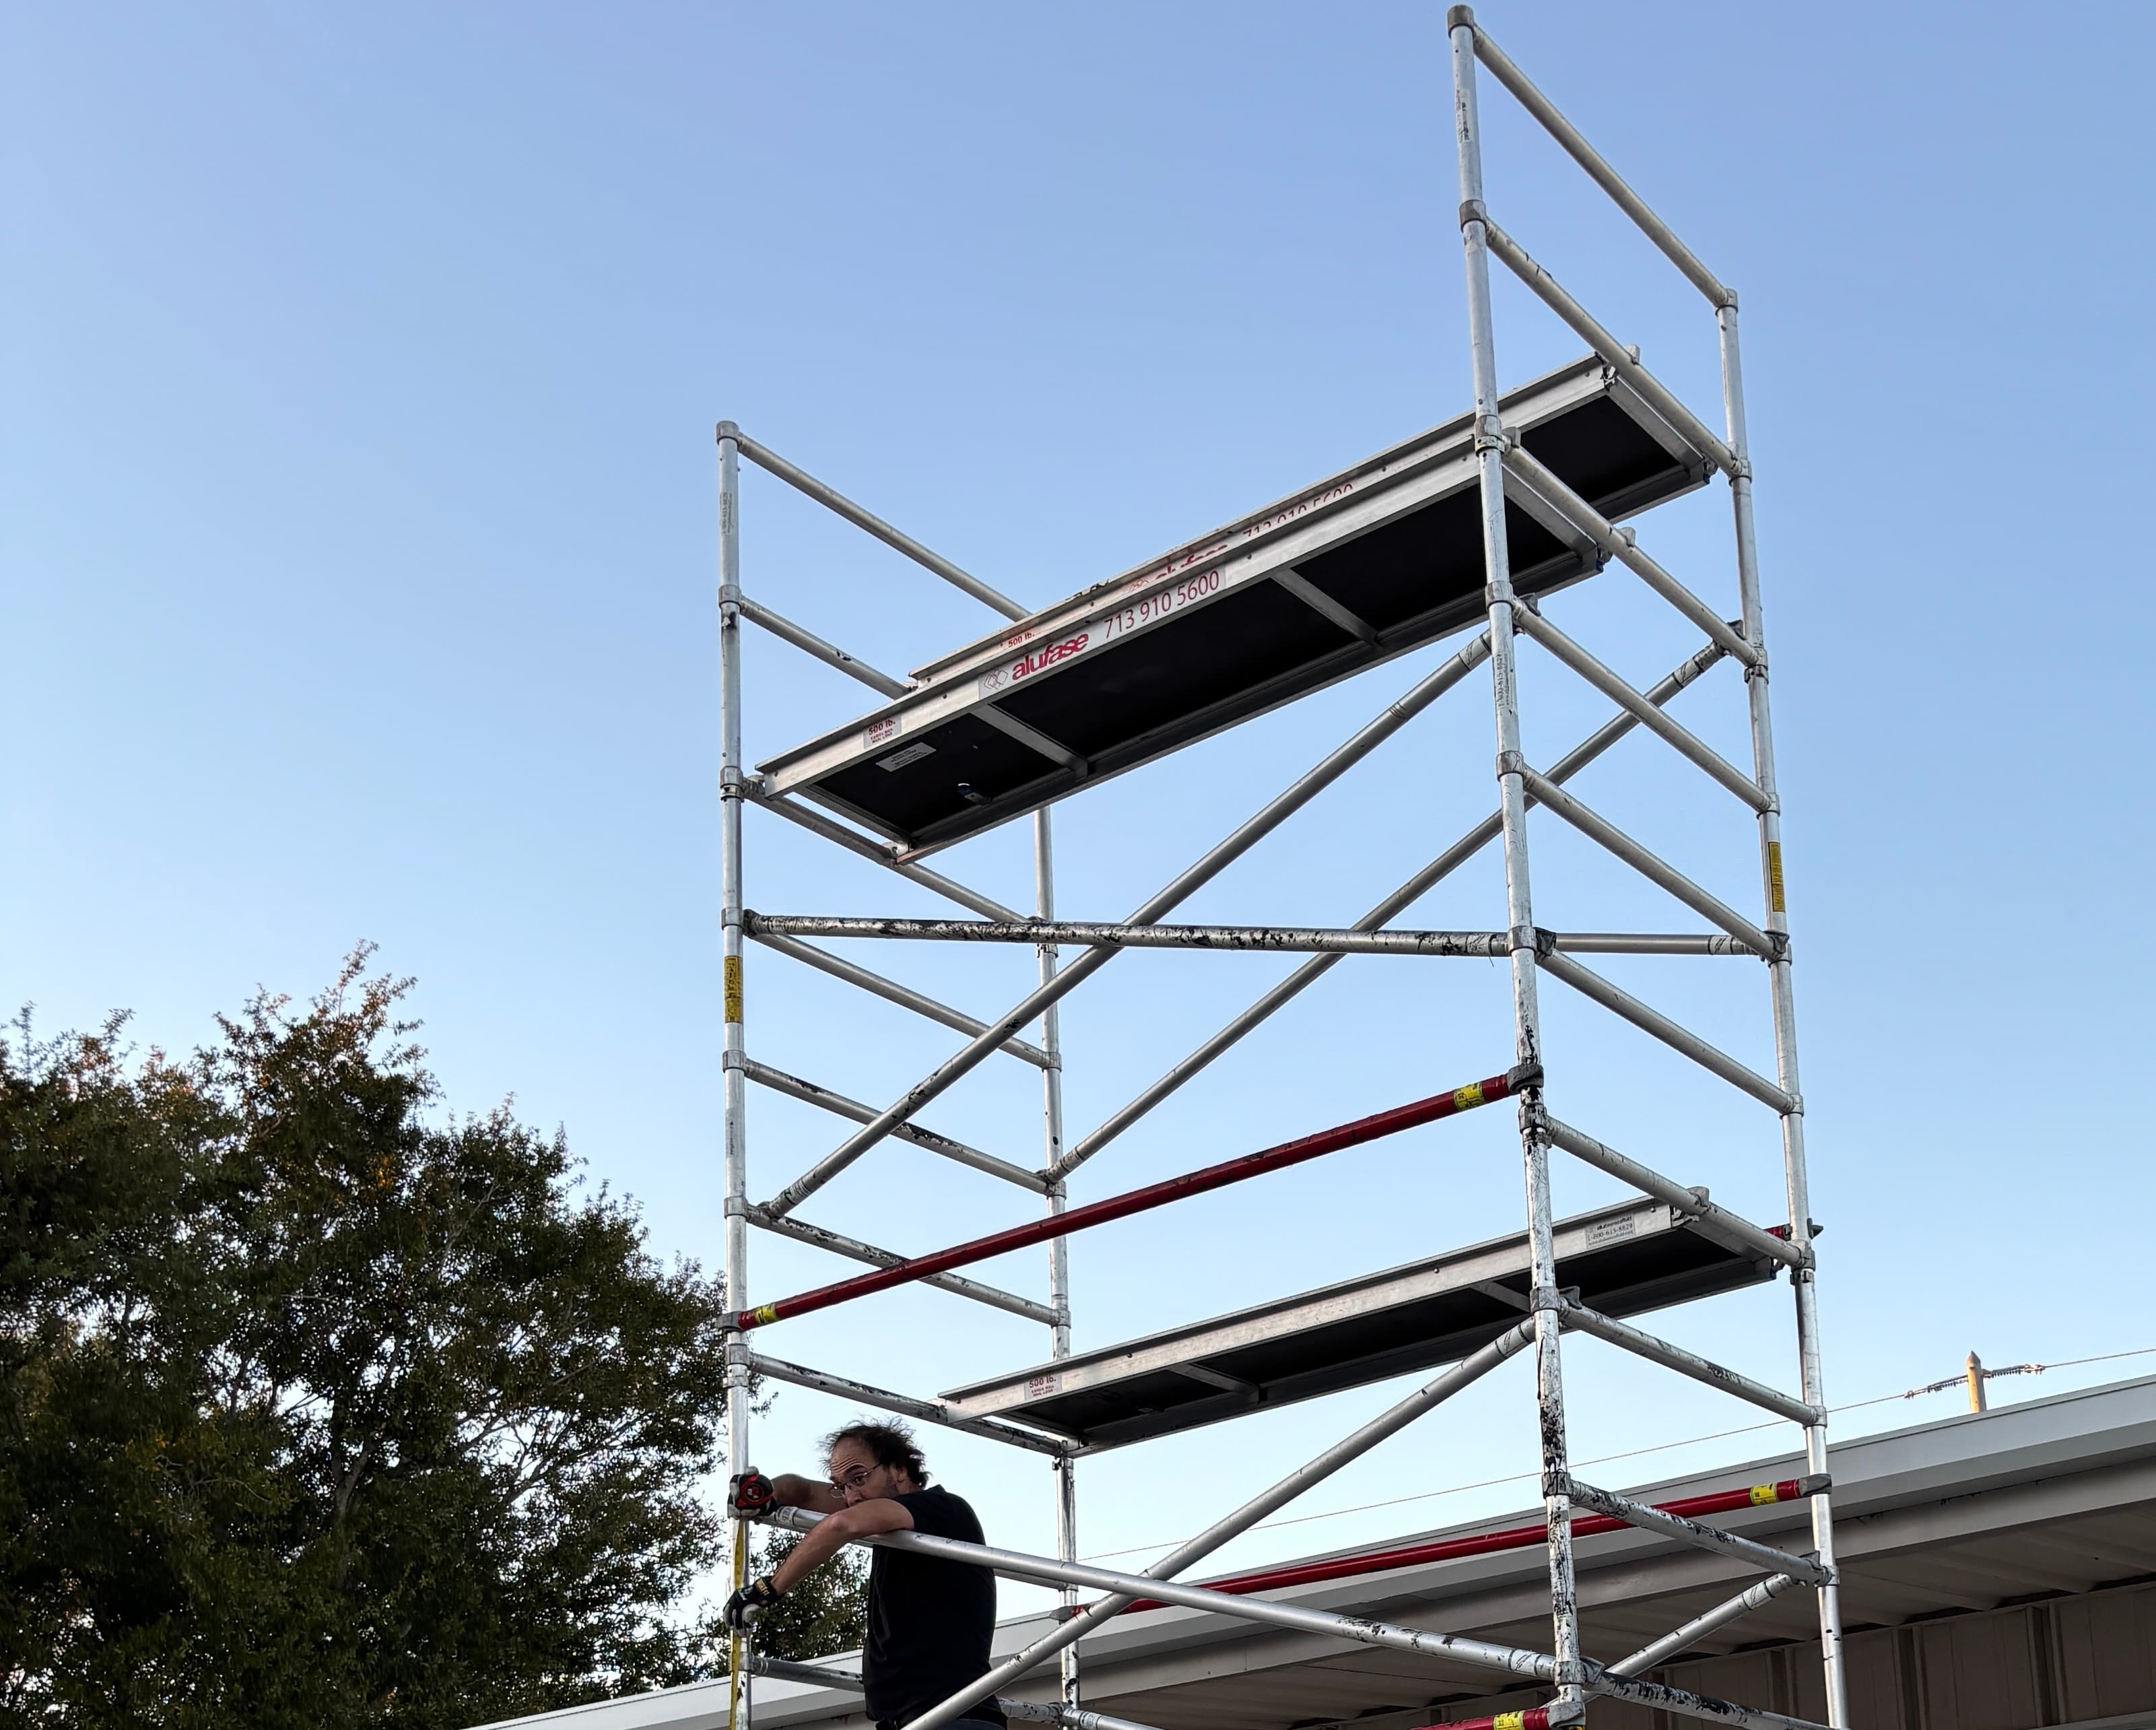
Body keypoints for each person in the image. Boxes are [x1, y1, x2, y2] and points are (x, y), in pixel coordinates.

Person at [725, 1419, 1006, 1730]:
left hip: (953, 1716)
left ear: (899, 1470)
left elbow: (841, 1525)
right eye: (841, 1485)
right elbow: (803, 1492)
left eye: (858, 1478)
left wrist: (769, 1588)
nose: (850, 1495)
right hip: (917, 1718)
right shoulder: (891, 1520)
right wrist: (767, 1492)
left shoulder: (940, 1509)